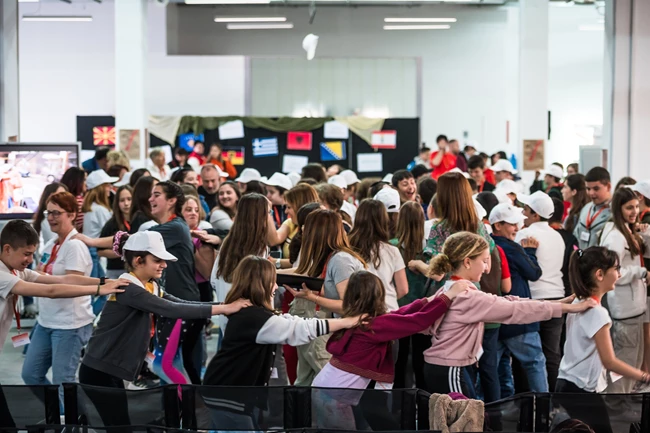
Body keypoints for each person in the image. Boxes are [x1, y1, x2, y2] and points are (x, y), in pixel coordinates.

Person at [78, 231, 250, 427]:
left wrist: (226, 305)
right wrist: (225, 308)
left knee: (117, 425)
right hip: (99, 370)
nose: (165, 265)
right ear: (138, 261)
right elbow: (173, 309)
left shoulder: (150, 285)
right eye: (158, 260)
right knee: (117, 426)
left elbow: (182, 303)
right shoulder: (129, 288)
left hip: (110, 368)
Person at [422, 231, 595, 397]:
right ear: (467, 262)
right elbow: (514, 309)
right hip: (450, 367)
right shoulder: (467, 296)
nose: (487, 268)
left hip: (448, 366)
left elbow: (511, 302)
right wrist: (567, 308)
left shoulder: (457, 289)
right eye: (484, 261)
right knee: (462, 423)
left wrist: (558, 303)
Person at [201, 256, 361, 433]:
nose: (276, 287)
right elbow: (298, 329)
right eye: (272, 282)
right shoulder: (254, 318)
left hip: (225, 392)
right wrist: (348, 322)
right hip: (227, 396)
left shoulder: (254, 314)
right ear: (260, 284)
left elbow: (289, 322)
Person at [311, 271, 469, 429]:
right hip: (336, 397)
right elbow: (417, 321)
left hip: (325, 388)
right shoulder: (374, 326)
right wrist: (449, 296)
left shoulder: (361, 320)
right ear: (378, 295)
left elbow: (397, 315)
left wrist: (428, 300)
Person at [556, 247, 650, 433]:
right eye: (616, 269)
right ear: (600, 274)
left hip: (567, 383)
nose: (619, 273)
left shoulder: (578, 303)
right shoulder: (597, 313)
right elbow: (610, 361)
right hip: (580, 389)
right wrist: (644, 376)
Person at [21, 192, 96, 388]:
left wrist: (41, 279)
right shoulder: (50, 245)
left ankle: (75, 418)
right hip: (46, 321)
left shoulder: (75, 246)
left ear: (72, 215)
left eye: (57, 213)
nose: (51, 218)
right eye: (49, 213)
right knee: (30, 374)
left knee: (64, 382)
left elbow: (73, 285)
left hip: (69, 324)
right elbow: (37, 275)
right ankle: (55, 414)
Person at [489, 203, 548, 397]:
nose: (517, 228)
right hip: (518, 317)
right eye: (512, 224)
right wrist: (530, 252)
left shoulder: (487, 246)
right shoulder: (512, 248)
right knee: (535, 363)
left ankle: (496, 411)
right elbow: (533, 272)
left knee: (497, 368)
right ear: (498, 225)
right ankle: (543, 407)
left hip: (493, 318)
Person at [598, 187, 648, 395]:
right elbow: (613, 273)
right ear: (618, 209)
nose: (634, 211)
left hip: (632, 307)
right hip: (626, 309)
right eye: (629, 207)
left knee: (632, 364)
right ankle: (616, 412)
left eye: (636, 206)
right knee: (626, 367)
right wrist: (641, 272)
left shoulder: (624, 230)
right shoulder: (616, 237)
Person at [515, 191, 566, 392]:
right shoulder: (558, 237)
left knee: (528, 356)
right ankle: (553, 401)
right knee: (552, 354)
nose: (522, 213)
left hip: (533, 300)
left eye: (526, 210)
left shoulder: (524, 235)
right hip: (557, 298)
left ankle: (529, 400)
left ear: (535, 214)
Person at [391, 201, 432, 389]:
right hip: (424, 310)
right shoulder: (429, 251)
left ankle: (401, 404)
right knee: (421, 358)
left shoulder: (391, 246)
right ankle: (423, 403)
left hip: (398, 309)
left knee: (399, 360)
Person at [349, 199, 408, 312]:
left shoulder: (348, 250)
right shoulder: (392, 251)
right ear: (383, 221)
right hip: (388, 311)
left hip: (357, 312)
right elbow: (403, 289)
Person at [83, 170, 119, 282]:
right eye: (107, 185)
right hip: (96, 254)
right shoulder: (100, 210)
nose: (110, 188)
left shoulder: (92, 208)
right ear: (100, 188)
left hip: (91, 252)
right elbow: (111, 232)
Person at [99, 185, 132, 279]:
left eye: (129, 199)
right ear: (117, 203)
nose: (126, 203)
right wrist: (119, 252)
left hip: (136, 270)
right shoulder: (111, 224)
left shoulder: (139, 220)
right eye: (122, 200)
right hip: (115, 270)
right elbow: (99, 251)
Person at [574, 167, 612, 249]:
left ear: (608, 186)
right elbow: (576, 235)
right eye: (588, 189)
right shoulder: (586, 208)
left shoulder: (615, 211)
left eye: (596, 189)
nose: (591, 193)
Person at [60, 167, 87, 232]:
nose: (86, 183)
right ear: (78, 182)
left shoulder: (61, 199)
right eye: (84, 180)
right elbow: (83, 226)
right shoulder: (79, 201)